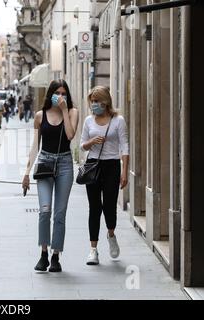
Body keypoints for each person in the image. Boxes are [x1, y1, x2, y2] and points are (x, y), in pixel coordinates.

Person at [22, 80, 79, 272]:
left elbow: (70, 136)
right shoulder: (39, 116)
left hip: (64, 164)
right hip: (45, 163)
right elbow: (35, 146)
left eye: (63, 93)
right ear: (50, 94)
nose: (60, 96)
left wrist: (64, 110)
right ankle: (43, 253)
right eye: (57, 93)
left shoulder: (72, 112)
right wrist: (26, 172)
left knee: (60, 214)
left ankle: (56, 256)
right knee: (44, 210)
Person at [80, 86, 130, 266]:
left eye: (97, 101)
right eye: (92, 101)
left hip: (112, 166)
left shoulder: (118, 121)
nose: (94, 105)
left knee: (109, 206)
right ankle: (93, 250)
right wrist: (91, 142)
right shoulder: (88, 121)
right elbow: (81, 145)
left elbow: (125, 146)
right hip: (93, 166)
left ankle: (111, 234)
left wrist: (124, 171)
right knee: (94, 207)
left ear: (105, 102)